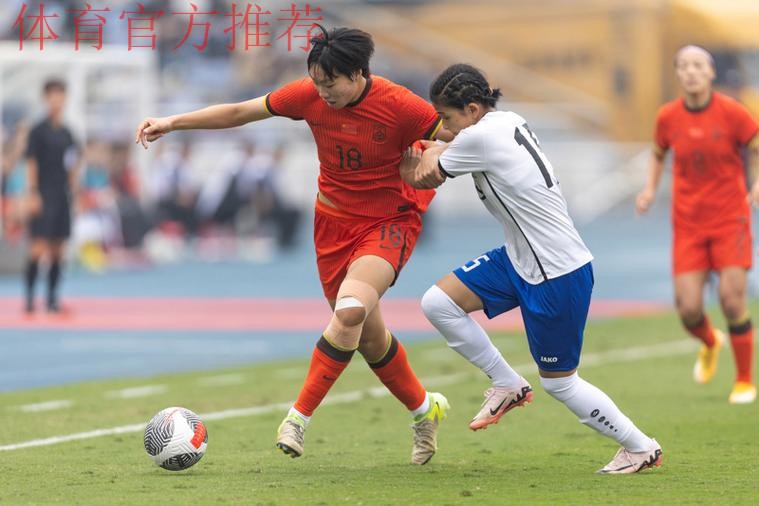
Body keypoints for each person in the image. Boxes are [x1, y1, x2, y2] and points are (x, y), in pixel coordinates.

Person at [135, 25, 453, 465]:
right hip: (332, 226)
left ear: (358, 73)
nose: (321, 92)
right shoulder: (308, 94)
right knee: (368, 339)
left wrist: (433, 159)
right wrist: (172, 122)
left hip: (389, 223)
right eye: (316, 82)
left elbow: (455, 137)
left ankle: (297, 419)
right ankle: (424, 410)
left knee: (350, 312)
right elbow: (239, 112)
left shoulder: (399, 104)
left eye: (330, 83)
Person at [399, 63, 662, 474]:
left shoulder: (478, 138)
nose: (444, 127)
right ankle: (507, 383)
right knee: (438, 303)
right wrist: (434, 144)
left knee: (560, 382)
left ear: (472, 110)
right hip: (520, 257)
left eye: (447, 118)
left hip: (556, 272)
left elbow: (425, 177)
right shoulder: (506, 120)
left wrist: (410, 161)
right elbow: (449, 143)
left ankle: (640, 447)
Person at [636, 45, 759, 404]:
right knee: (688, 309)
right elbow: (658, 153)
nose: (691, 71)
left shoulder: (733, 112)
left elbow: (756, 145)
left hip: (730, 218)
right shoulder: (668, 116)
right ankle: (710, 341)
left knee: (731, 300)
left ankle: (744, 380)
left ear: (711, 73)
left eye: (698, 65)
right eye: (684, 65)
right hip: (688, 222)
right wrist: (649, 190)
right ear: (678, 73)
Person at [24, 79, 82, 313]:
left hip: (62, 195)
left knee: (58, 249)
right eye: (52, 96)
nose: (57, 100)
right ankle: (29, 299)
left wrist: (74, 189)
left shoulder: (68, 133)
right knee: (38, 248)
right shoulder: (38, 131)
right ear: (45, 99)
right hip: (43, 193)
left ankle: (51, 300)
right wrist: (33, 193)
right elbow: (31, 163)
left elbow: (75, 161)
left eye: (60, 95)